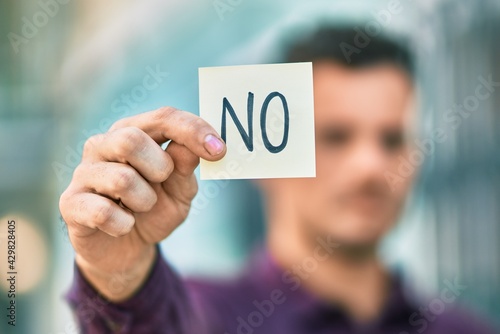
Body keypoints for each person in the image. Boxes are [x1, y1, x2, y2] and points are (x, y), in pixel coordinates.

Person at [59, 26, 497, 333]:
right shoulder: (205, 315)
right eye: (335, 136)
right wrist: (119, 277)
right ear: (267, 155)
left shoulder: (465, 329)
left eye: (392, 138)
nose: (370, 165)